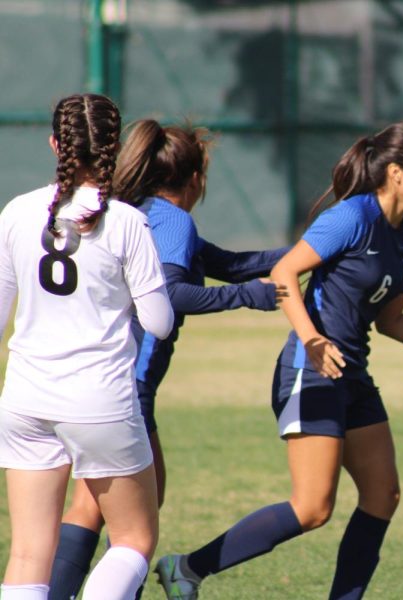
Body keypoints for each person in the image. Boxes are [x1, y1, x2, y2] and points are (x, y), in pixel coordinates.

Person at [153, 121, 403, 600]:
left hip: (353, 374)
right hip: (309, 371)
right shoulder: (351, 217)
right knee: (313, 507)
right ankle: (187, 568)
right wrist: (311, 338)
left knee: (383, 496)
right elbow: (285, 271)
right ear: (396, 172)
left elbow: (392, 320)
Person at [47, 119, 289, 600]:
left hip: (81, 380)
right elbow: (174, 294)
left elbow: (228, 263)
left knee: (95, 508)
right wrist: (247, 298)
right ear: (194, 177)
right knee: (133, 519)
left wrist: (312, 252)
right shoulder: (172, 219)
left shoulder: (129, 211)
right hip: (126, 386)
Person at [0, 94, 174, 600]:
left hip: (25, 397)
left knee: (29, 552)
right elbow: (159, 323)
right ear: (114, 152)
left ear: (56, 144)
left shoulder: (16, 212)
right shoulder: (125, 221)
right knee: (135, 538)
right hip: (98, 398)